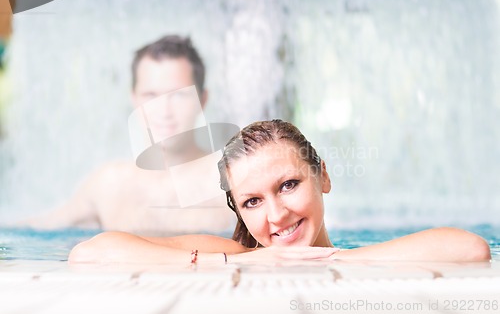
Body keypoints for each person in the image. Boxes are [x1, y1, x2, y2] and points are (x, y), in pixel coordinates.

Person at [68, 120, 491, 264]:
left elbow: (471, 250)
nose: (276, 216)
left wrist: (331, 261)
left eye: (288, 185)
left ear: (322, 177)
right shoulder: (237, 256)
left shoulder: (357, 252)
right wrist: (254, 265)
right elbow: (89, 254)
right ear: (238, 209)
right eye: (252, 201)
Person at [19, 35, 235, 235]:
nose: (163, 111)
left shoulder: (233, 182)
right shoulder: (109, 183)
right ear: (134, 100)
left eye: (178, 96)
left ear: (202, 100)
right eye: (151, 95)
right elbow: (32, 231)